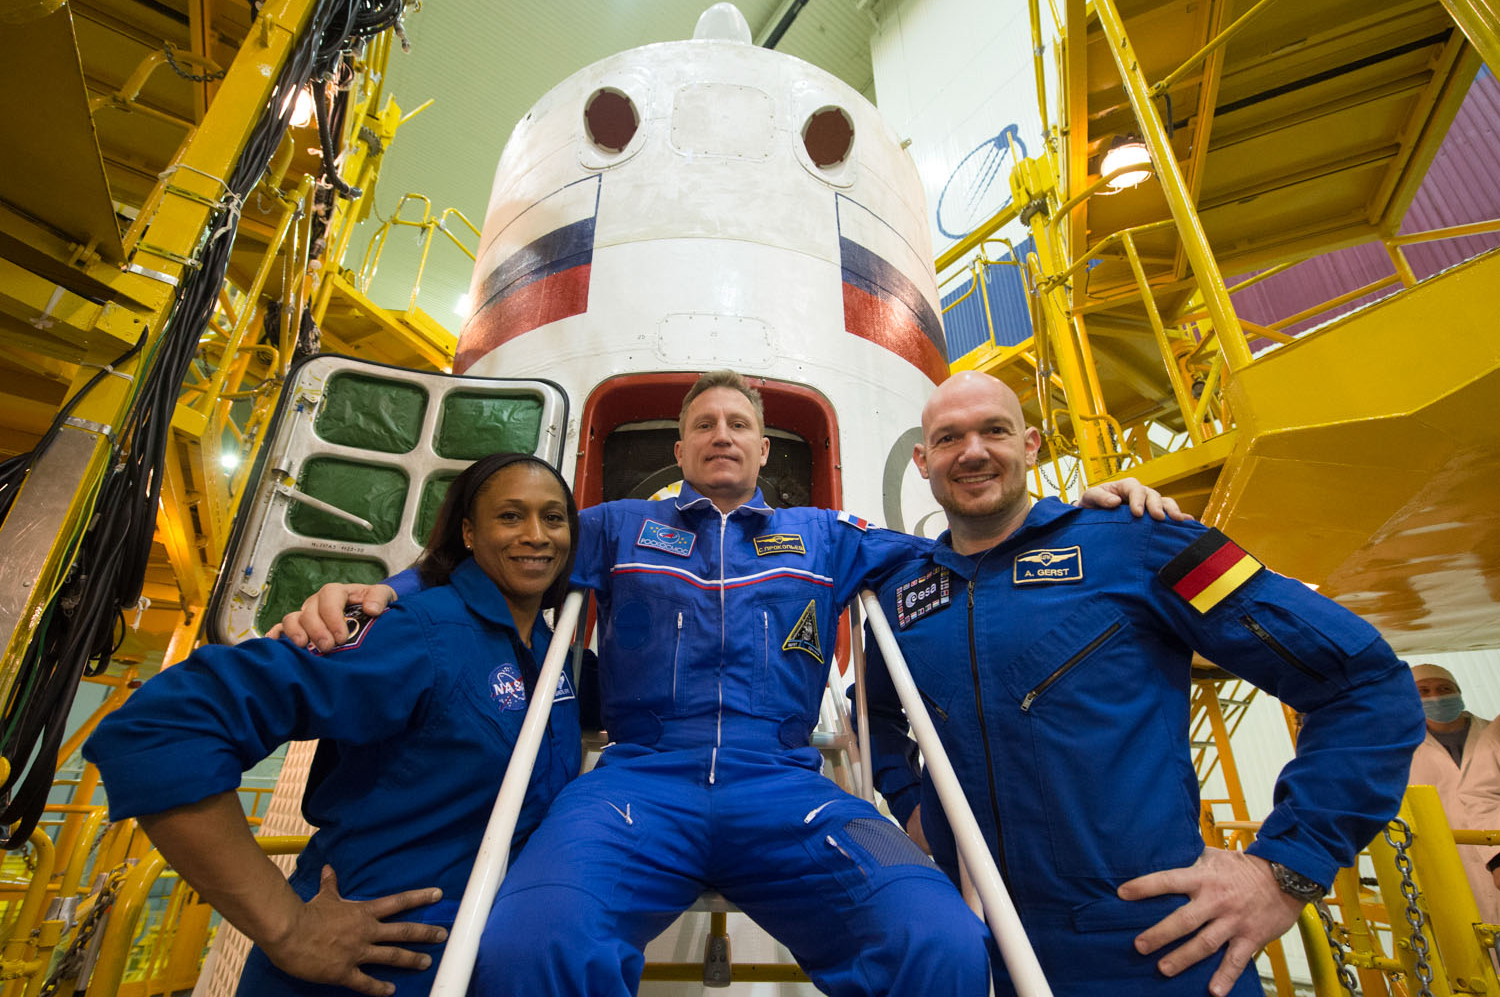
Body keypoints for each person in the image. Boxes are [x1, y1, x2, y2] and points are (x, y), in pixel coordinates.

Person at [277, 370, 1178, 997]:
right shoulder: (617, 525)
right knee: (526, 944)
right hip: (637, 784)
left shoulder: (824, 535)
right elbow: (504, 551)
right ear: (680, 444)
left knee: (940, 941)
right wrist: (381, 590)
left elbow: (967, 546)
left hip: (787, 788)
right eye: (704, 424)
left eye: (737, 424)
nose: (721, 436)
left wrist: (1072, 514)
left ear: (761, 446)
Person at [861, 371, 1426, 997]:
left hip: (1157, 948)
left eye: (994, 430)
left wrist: (1286, 869)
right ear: (922, 460)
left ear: (1032, 445)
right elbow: (876, 715)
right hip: (977, 946)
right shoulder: (903, 593)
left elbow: (1365, 684)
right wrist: (913, 806)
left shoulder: (1145, 540)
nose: (972, 452)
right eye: (949, 438)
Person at [83, 453, 585, 997]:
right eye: (510, 517)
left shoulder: (550, 655)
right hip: (358, 972)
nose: (536, 535)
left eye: (553, 518)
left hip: (478, 961)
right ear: (468, 532)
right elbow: (161, 727)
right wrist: (289, 928)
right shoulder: (416, 635)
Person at [1408, 662, 1500, 923]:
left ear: (1458, 692)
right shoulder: (1401, 749)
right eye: (1423, 691)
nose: (1436, 697)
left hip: (1495, 847)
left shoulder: (1492, 734)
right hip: (1442, 859)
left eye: (1444, 688)